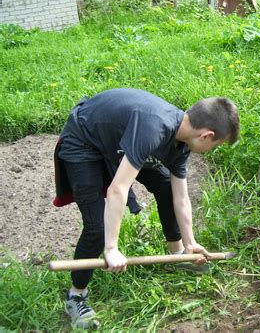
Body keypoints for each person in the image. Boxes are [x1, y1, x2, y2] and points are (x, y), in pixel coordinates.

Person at [53, 88, 240, 328]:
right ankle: (76, 295)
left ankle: (177, 254)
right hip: (84, 140)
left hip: (115, 141)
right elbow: (117, 189)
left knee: (166, 186)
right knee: (98, 228)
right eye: (216, 145)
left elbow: (180, 197)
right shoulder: (154, 129)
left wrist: (190, 242)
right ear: (206, 136)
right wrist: (111, 248)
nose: (212, 149)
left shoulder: (180, 142)